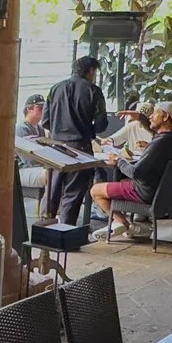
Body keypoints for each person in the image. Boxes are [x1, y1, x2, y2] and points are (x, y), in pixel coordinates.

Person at [89, 103, 172, 241]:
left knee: (95, 190)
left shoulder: (160, 143)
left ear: (165, 117)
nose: (151, 117)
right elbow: (155, 131)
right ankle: (122, 223)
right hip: (163, 192)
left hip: (145, 191)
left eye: (154, 113)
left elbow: (135, 173)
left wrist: (118, 160)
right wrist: (140, 117)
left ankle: (125, 224)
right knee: (121, 181)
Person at [43, 56, 108, 224]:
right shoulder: (94, 91)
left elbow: (45, 121)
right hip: (80, 149)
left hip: (55, 148)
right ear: (91, 71)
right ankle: (64, 233)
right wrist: (89, 129)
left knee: (51, 191)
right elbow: (101, 125)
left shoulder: (55, 88)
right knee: (73, 194)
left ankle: (43, 230)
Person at [16, 94, 48, 196]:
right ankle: (47, 208)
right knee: (52, 174)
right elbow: (28, 159)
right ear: (29, 109)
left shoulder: (40, 129)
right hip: (22, 170)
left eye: (44, 107)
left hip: (36, 166)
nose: (44, 110)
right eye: (40, 108)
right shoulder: (21, 128)